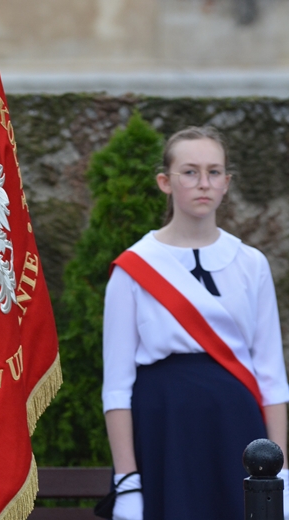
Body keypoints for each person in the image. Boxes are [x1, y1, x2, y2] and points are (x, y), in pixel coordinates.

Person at [102, 126, 289, 520]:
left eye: (214, 172)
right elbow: (117, 386)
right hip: (165, 425)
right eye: (190, 172)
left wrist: (281, 471)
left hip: (237, 426)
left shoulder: (251, 263)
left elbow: (272, 376)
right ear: (164, 182)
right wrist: (127, 479)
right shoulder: (133, 268)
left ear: (226, 182)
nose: (204, 183)